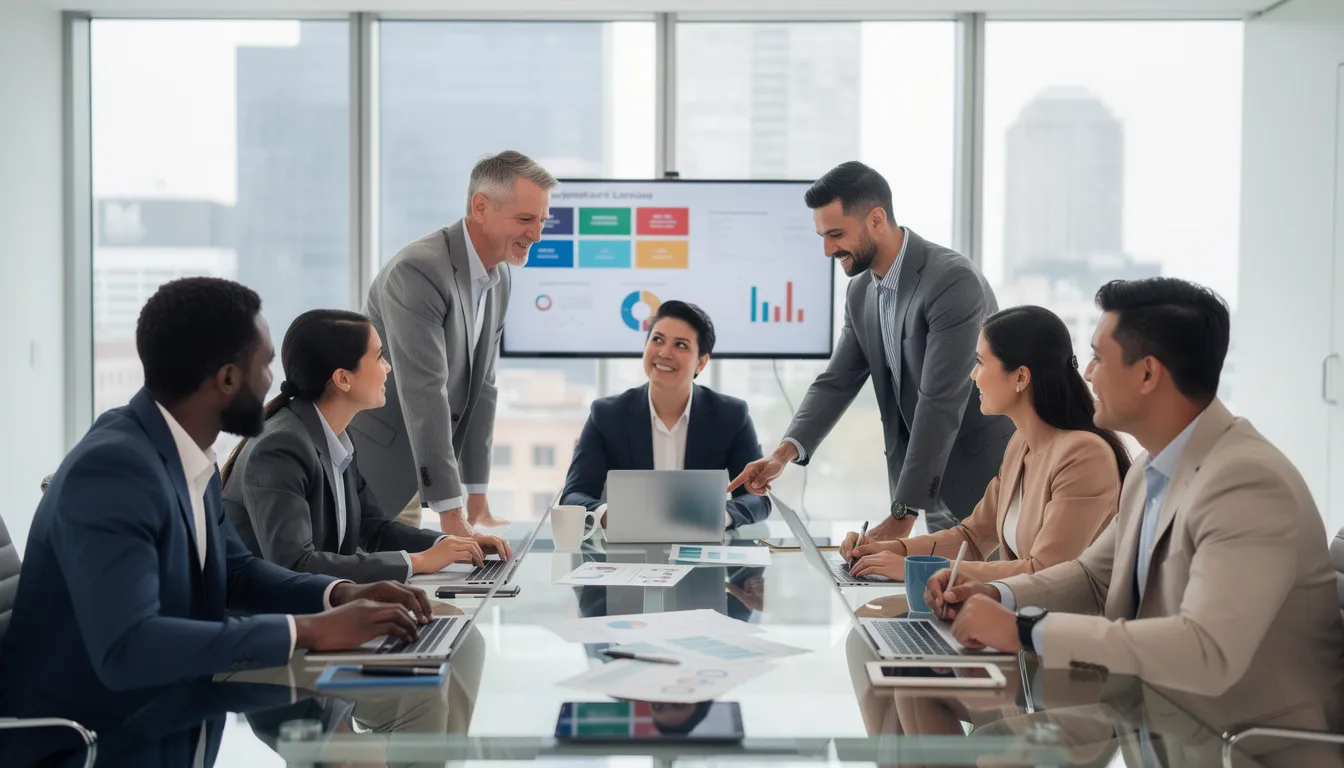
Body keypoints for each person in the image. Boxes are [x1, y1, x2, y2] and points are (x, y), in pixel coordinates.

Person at [0, 277, 432, 730]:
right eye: (265, 366)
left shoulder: (183, 451)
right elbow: (129, 646)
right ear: (228, 378)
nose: (276, 383)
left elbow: (237, 572)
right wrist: (307, 630)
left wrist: (338, 594)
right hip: (95, 738)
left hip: (172, 714)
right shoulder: (113, 469)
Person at [927, 278, 1344, 727]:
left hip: (1246, 744)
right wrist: (998, 594)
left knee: (989, 741)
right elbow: (1092, 576)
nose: (1086, 374)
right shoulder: (1150, 470)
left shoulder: (1247, 482)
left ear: (1147, 374)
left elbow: (1207, 651)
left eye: (1099, 358)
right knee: (930, 696)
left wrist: (1027, 630)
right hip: (1161, 724)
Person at [730, 161, 1014, 534]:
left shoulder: (950, 281)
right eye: (822, 236)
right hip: (925, 484)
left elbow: (939, 401)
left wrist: (902, 514)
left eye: (836, 234)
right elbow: (837, 381)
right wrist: (782, 455)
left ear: (877, 220)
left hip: (982, 482)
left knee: (988, 590)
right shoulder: (862, 291)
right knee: (940, 590)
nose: (827, 250)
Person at [220, 309, 511, 584]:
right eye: (379, 357)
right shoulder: (280, 448)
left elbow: (373, 527)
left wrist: (449, 544)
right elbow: (295, 565)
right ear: (342, 379)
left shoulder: (334, 435)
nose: (387, 367)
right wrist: (419, 561)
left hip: (317, 611)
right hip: (271, 623)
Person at [840, 305, 1129, 582]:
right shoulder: (1021, 444)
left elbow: (1045, 574)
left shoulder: (1084, 456)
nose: (972, 374)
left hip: (1066, 628)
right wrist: (885, 549)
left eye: (979, 362)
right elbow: (971, 537)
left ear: (1020, 376)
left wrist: (914, 569)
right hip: (1021, 617)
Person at [350, 150, 556, 536]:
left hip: (422, 470)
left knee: (408, 587)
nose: (538, 234)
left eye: (543, 220)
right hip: (375, 470)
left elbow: (484, 387)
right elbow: (425, 392)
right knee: (374, 587)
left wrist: (476, 495)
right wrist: (453, 517)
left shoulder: (500, 276)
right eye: (525, 219)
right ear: (481, 207)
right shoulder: (419, 270)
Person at [561, 300, 771, 529]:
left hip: (702, 553)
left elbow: (757, 498)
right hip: (627, 554)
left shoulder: (731, 416)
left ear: (701, 362)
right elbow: (573, 496)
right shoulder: (606, 415)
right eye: (657, 340)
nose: (664, 353)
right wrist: (609, 515)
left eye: (680, 345)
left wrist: (720, 516)